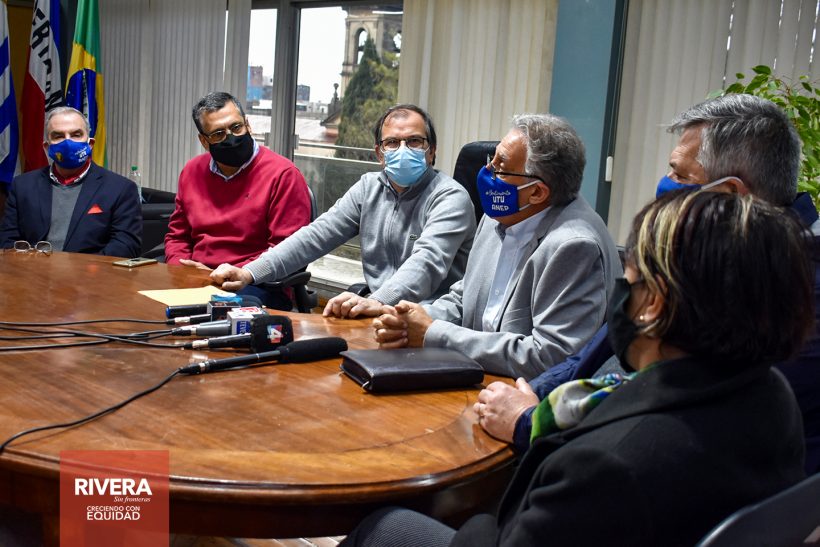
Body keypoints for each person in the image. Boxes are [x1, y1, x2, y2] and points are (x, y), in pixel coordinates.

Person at [342, 190, 813, 547]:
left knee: (381, 524)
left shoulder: (606, 467)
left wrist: (478, 516)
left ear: (653, 305)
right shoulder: (772, 394)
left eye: (629, 278)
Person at [479, 94, 820, 474]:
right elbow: (593, 352)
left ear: (727, 196)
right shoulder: (705, 251)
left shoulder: (791, 290)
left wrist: (531, 422)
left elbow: (680, 408)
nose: (665, 186)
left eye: (680, 175)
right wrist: (527, 397)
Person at [372, 114, 621, 378]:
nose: (487, 171)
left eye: (500, 168)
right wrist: (411, 320)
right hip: (475, 374)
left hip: (525, 391)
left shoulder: (574, 246)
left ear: (537, 192)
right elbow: (464, 299)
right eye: (491, 159)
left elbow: (550, 357)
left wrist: (433, 333)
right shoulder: (498, 215)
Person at [211, 104, 476, 318]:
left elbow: (426, 264)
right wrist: (249, 272)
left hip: (431, 317)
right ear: (380, 153)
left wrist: (376, 302)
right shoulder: (369, 188)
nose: (403, 149)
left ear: (432, 151)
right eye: (393, 142)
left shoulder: (450, 197)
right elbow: (316, 235)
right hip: (379, 312)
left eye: (415, 141)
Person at [164, 91, 312, 310]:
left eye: (236, 127)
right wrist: (180, 267)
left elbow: (287, 250)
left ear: (248, 125)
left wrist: (235, 272)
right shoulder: (192, 171)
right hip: (197, 278)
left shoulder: (283, 175)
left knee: (204, 315)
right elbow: (178, 235)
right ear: (204, 141)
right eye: (218, 134)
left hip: (257, 283)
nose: (231, 138)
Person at [0, 106, 141, 257]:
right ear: (47, 147)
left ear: (90, 144)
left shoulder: (120, 189)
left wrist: (79, 268)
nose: (67, 142)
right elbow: (7, 241)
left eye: (76, 134)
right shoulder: (22, 186)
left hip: (90, 271)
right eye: (58, 136)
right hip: (32, 269)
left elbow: (126, 246)